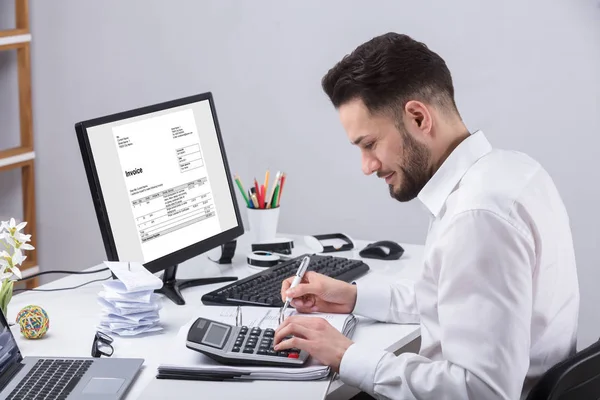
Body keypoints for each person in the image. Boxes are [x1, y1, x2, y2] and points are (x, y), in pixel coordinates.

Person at [273, 32, 580, 400]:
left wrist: (345, 354)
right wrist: (351, 297)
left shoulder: (478, 215)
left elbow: (483, 392)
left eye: (370, 144)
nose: (367, 166)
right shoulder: (512, 172)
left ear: (418, 117)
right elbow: (454, 300)